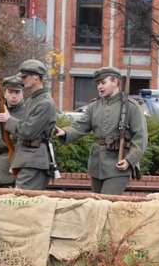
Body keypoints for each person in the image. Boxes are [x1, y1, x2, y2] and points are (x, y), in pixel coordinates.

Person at [53, 66, 147, 195]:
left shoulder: (132, 107)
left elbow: (140, 138)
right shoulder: (94, 105)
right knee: (97, 205)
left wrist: (129, 160)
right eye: (98, 83)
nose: (99, 87)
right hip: (97, 164)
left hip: (118, 163)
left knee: (106, 204)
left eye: (103, 83)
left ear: (115, 82)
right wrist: (65, 132)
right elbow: (81, 126)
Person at [0, 59, 56, 191]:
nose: (22, 80)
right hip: (27, 159)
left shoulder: (45, 102)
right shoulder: (33, 99)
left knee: (25, 205)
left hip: (34, 161)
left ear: (36, 76)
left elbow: (28, 131)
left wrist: (8, 119)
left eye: (25, 76)